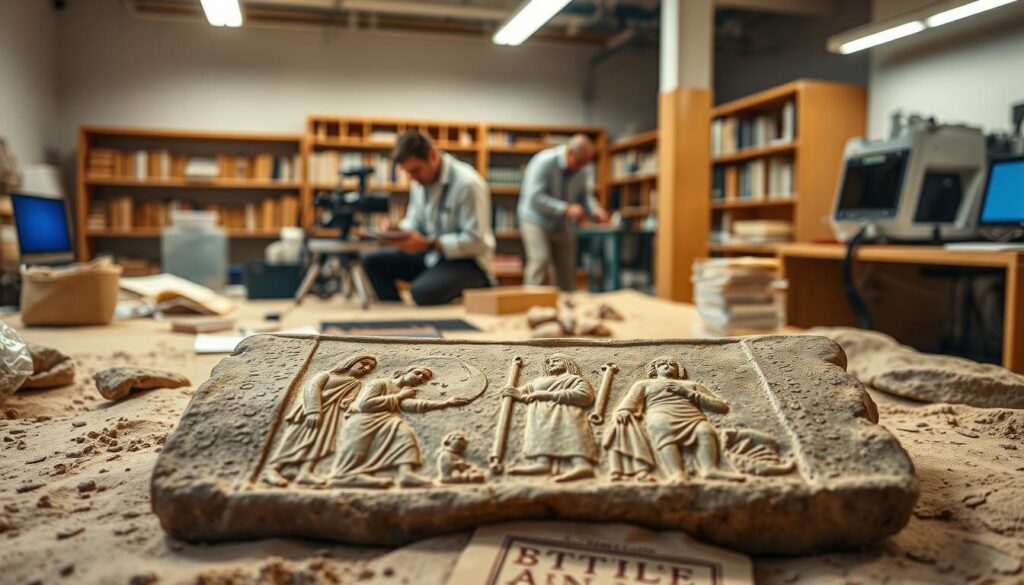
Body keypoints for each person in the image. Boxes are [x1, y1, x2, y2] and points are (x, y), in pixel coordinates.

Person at [362, 130, 495, 305]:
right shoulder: (419, 182)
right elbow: (414, 221)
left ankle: (478, 283)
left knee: (422, 292)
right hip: (432, 256)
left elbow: (475, 241)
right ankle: (394, 313)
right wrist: (399, 230)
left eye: (416, 170)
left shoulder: (468, 184)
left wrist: (430, 244)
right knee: (371, 261)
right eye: (408, 172)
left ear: (432, 155)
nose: (413, 178)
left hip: (467, 261)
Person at [604, 358, 745, 483]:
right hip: (660, 414)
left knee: (705, 431)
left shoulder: (691, 385)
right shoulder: (644, 384)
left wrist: (688, 393)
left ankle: (710, 469)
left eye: (673, 364)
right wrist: (624, 411)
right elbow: (629, 402)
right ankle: (676, 473)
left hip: (692, 416)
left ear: (679, 370)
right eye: (662, 364)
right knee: (664, 431)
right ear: (654, 369)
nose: (668, 366)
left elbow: (721, 407)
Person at [329, 365, 470, 488]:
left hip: (387, 421)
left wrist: (446, 403)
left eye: (425, 378)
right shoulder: (379, 383)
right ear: (405, 372)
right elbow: (364, 404)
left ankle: (405, 474)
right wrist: (399, 396)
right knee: (357, 451)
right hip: (362, 420)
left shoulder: (405, 391)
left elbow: (413, 405)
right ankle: (344, 475)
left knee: (405, 435)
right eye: (418, 373)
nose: (421, 378)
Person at [264, 354, 378, 486]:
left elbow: (347, 401)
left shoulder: (356, 384)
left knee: (319, 442)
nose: (366, 368)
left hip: (331, 415)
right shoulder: (325, 375)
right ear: (351, 362)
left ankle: (305, 472)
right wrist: (313, 410)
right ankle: (273, 469)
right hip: (311, 412)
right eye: (364, 363)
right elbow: (311, 389)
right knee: (298, 439)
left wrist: (351, 406)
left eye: (370, 368)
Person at [517, 134, 609, 291]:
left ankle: (566, 301)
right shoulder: (543, 162)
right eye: (580, 162)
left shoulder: (583, 169)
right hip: (535, 219)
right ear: (570, 153)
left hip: (562, 222)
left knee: (567, 267)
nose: (582, 167)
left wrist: (595, 210)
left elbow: (584, 195)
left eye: (585, 163)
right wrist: (565, 208)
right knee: (540, 260)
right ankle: (530, 300)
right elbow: (534, 197)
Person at [500, 353, 599, 482]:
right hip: (540, 416)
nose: (551, 364)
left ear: (568, 363)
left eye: (556, 361)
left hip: (567, 414)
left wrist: (548, 395)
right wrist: (511, 391)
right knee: (541, 437)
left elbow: (585, 396)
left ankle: (582, 465)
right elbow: (521, 392)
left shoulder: (575, 379)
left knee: (571, 435)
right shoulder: (539, 381)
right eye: (548, 362)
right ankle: (542, 463)